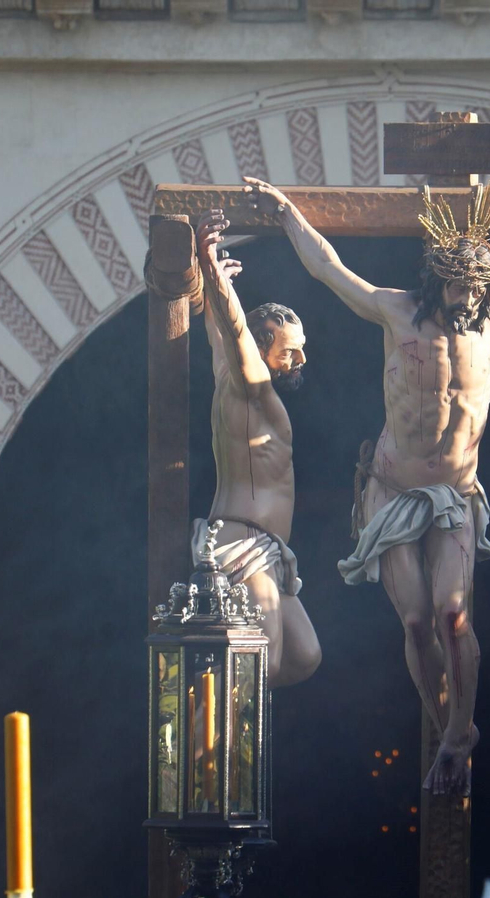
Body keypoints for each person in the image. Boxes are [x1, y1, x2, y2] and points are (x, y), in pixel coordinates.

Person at [242, 176, 490, 794]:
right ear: (438, 281)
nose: (469, 299)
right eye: (460, 287)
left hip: (455, 495)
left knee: (453, 615)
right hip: (391, 489)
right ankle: (452, 735)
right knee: (415, 622)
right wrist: (285, 213)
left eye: (479, 289)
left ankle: (460, 732)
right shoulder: (395, 309)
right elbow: (328, 268)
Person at [192, 208, 321, 688]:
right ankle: (213, 712)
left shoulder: (229, 374)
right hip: (243, 541)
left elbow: (218, 332)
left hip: (268, 548)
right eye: (290, 350)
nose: (301, 358)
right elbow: (234, 330)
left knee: (304, 656)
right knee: (262, 664)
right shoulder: (251, 384)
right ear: (261, 351)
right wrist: (209, 265)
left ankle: (223, 682)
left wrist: (214, 287)